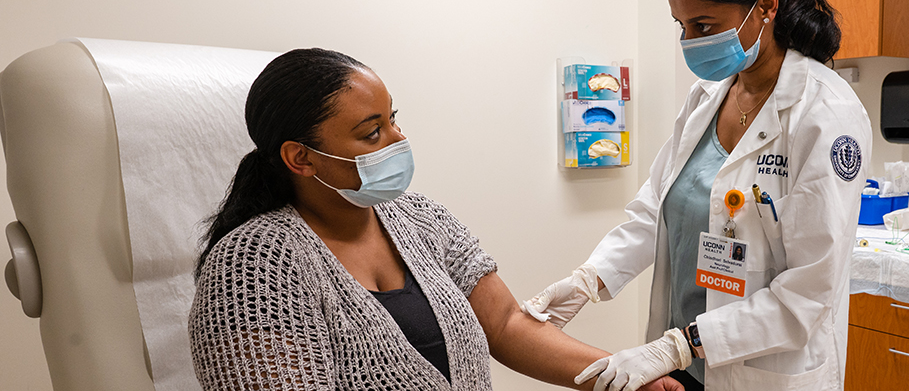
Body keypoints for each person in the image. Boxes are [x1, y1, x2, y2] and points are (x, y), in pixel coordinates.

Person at [187, 48, 683, 391]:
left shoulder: (420, 219)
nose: (398, 139)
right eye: (371, 132)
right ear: (301, 158)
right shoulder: (250, 268)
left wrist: (620, 373)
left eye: (392, 119)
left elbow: (507, 325)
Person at [523, 0, 872, 390]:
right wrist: (588, 281)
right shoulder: (707, 97)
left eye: (704, 25)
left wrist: (681, 343)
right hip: (680, 369)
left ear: (766, 5)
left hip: (758, 372)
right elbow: (656, 210)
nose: (691, 42)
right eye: (682, 26)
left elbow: (807, 294)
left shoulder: (825, 114)